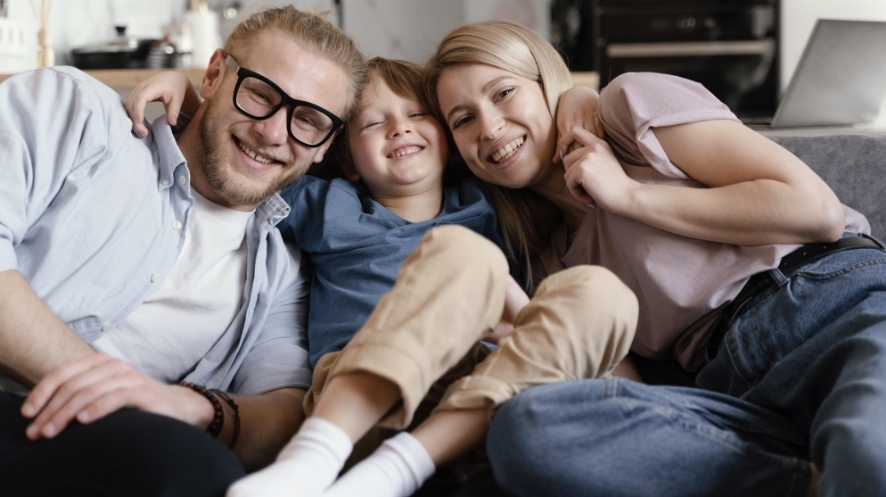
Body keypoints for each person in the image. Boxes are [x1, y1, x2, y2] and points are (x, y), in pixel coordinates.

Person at [126, 56, 639, 497]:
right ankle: (315, 455)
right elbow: (252, 157)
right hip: (360, 391)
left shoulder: (490, 202)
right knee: (464, 253)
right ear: (346, 158)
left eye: (418, 115)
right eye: (374, 124)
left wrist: (576, 92)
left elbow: (545, 156)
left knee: (605, 295)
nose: (400, 128)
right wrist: (190, 93)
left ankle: (397, 471)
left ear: (449, 138)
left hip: (483, 393)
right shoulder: (328, 203)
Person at [418, 20, 886, 497]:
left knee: (867, 454)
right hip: (729, 394)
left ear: (546, 84)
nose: (490, 127)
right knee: (525, 430)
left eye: (503, 93)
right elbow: (634, 399)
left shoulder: (626, 109)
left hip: (829, 307)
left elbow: (818, 212)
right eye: (463, 119)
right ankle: (808, 476)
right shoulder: (547, 267)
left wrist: (627, 195)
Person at [0, 6, 366, 496]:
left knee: (205, 468)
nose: (274, 133)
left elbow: (286, 410)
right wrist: (117, 395)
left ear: (326, 144)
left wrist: (195, 408)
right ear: (214, 75)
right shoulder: (75, 110)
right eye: (259, 93)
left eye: (309, 120)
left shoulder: (280, 272)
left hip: (106, 454)